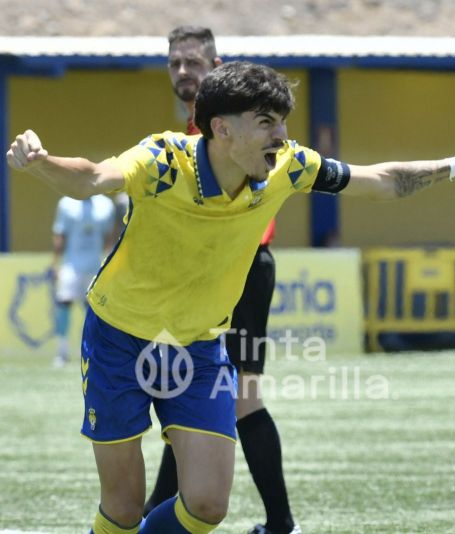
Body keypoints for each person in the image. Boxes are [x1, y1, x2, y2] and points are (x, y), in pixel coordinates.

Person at [6, 60, 455, 534]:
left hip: (199, 347)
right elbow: (94, 177)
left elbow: (383, 181)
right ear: (221, 128)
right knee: (121, 508)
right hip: (117, 339)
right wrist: (40, 160)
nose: (282, 135)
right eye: (267, 122)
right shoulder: (164, 160)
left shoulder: (288, 166)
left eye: (282, 121)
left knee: (208, 505)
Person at [141, 26, 296, 534]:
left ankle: (280, 524)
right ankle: (160, 513)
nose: (184, 72)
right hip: (206, 275)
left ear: (217, 65)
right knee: (187, 392)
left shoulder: (232, 129)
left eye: (193, 62)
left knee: (239, 397)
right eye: (175, 64)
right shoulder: (196, 133)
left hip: (243, 269)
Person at [51, 195, 115, 367]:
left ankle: (91, 351)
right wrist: (55, 264)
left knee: (94, 311)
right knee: (64, 304)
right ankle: (62, 351)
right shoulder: (66, 203)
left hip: (95, 266)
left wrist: (107, 263)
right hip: (71, 266)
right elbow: (60, 235)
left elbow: (108, 237)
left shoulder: (106, 205)